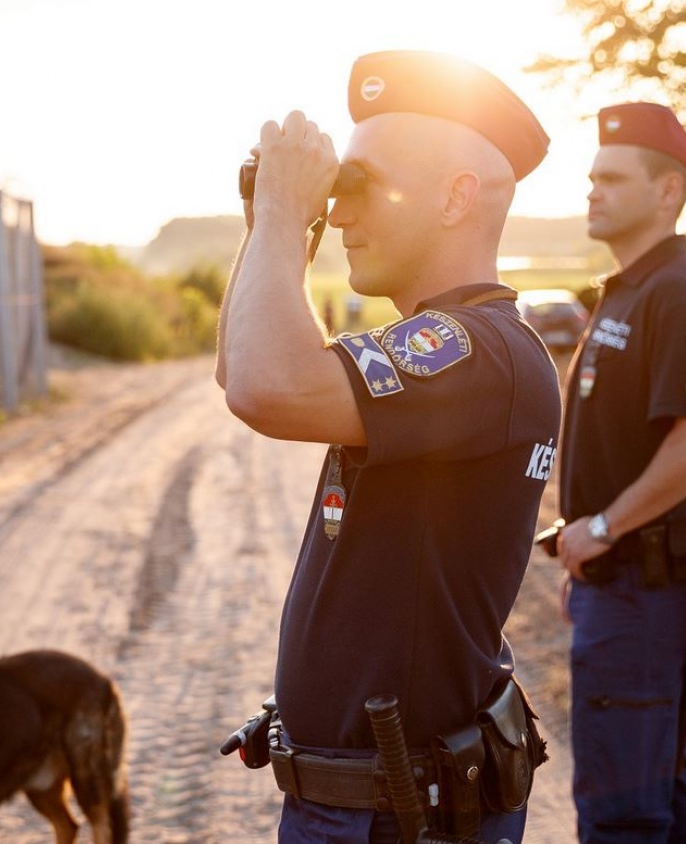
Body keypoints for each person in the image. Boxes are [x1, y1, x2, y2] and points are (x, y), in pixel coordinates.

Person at [216, 51, 562, 844]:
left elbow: (266, 387)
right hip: (359, 804)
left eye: (359, 187)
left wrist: (279, 214)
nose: (338, 214)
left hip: (397, 816)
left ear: (455, 197)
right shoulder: (443, 344)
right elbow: (240, 366)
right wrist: (279, 225)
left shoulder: (480, 351)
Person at [554, 103, 686, 844]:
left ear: (668, 192)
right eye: (591, 177)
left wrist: (603, 530)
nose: (592, 191)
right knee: (657, 775)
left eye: (611, 178)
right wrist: (590, 549)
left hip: (642, 585)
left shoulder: (681, 291)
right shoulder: (629, 288)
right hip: (620, 580)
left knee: (622, 808)